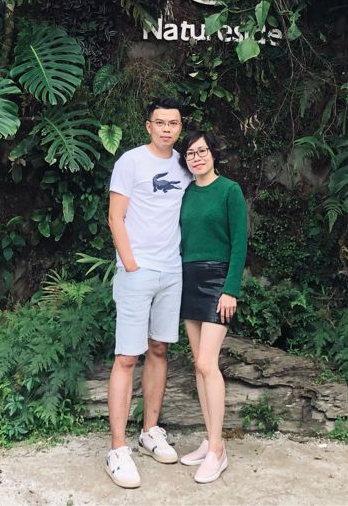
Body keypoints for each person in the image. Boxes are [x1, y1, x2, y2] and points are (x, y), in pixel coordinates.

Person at [105, 97, 192, 489]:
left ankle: (150, 431)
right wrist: (131, 264)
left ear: (180, 127)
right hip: (137, 271)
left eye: (173, 123)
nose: (166, 129)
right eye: (160, 122)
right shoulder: (131, 162)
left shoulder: (185, 164)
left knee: (159, 349)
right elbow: (115, 216)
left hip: (172, 270)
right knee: (127, 356)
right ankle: (117, 448)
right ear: (148, 126)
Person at [177, 131, 247, 484]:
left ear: (213, 153)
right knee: (198, 365)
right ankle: (209, 439)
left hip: (218, 281)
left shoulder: (230, 191)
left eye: (202, 151)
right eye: (190, 153)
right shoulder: (186, 193)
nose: (197, 157)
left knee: (208, 363)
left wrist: (230, 289)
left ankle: (218, 451)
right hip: (188, 279)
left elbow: (240, 243)